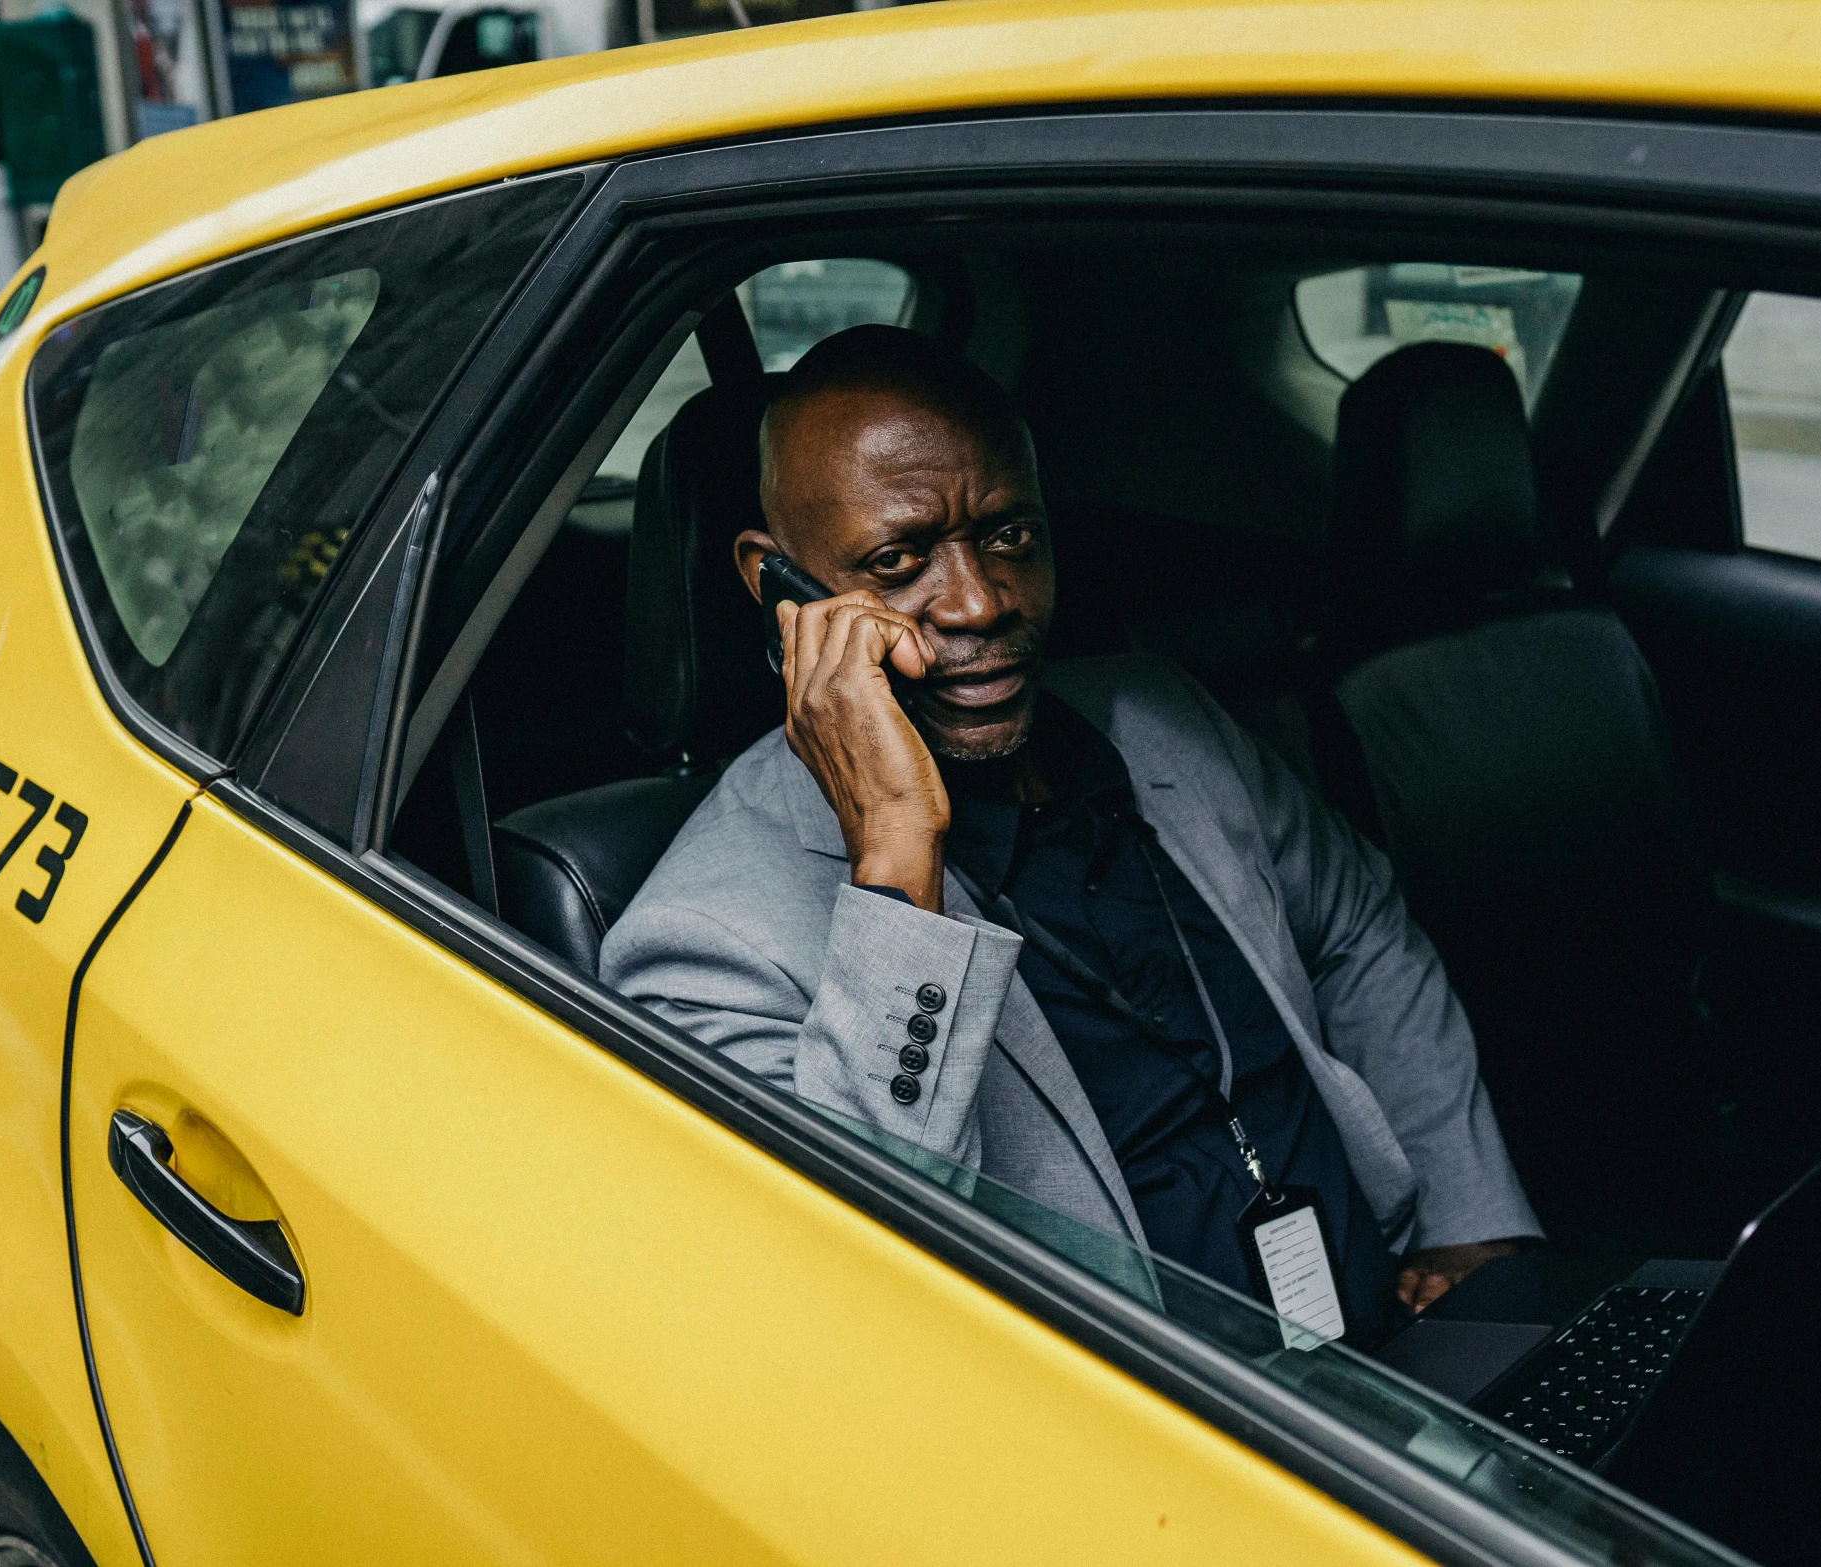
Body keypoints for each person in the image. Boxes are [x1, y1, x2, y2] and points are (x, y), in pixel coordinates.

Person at [602, 325, 1539, 1338]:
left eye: (1009, 536)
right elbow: (861, 1272)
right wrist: (896, 851)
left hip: (1410, 1339)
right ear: (776, 584)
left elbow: (1358, 930)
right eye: (899, 559)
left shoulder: (1155, 716)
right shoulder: (703, 942)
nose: (980, 600)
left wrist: (1470, 1225)